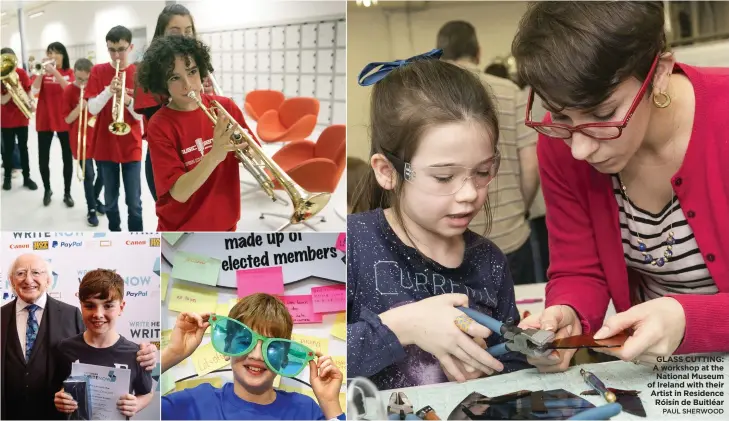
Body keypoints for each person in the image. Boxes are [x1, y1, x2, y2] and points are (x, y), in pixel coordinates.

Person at [511, 1, 729, 372]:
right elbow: (577, 268)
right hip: (657, 372)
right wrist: (569, 313)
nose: (579, 149)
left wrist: (691, 320)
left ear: (658, 72)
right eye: (560, 115)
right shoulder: (558, 142)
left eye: (602, 115)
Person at [348, 51, 530, 391]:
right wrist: (403, 326)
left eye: (482, 172)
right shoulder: (352, 245)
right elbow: (312, 353)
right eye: (444, 177)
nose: (469, 194)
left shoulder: (489, 261)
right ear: (387, 172)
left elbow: (511, 360)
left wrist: (527, 358)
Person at [437, 21, 540, 286]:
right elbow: (531, 163)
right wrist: (521, 209)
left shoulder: (430, 98)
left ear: (439, 53)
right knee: (522, 319)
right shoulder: (510, 91)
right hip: (510, 234)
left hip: (448, 242)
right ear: (478, 52)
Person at [0, 253, 157, 420]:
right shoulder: (2, 316)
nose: (28, 279)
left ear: (48, 279)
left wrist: (149, 354)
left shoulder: (71, 314)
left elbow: (99, 340)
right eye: (21, 273)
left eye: (36, 272)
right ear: (11, 280)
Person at [161, 293, 345, 420]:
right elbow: (136, 411)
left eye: (271, 347)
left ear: (284, 358)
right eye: (244, 341)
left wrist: (330, 403)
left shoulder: (305, 411)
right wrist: (172, 354)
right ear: (227, 346)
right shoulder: (195, 404)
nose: (257, 355)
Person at [136, 35, 251, 231]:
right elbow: (179, 193)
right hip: (182, 231)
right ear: (163, 84)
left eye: (192, 72)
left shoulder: (224, 107)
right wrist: (214, 155)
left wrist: (248, 152)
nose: (188, 85)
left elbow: (252, 152)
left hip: (225, 224)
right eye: (175, 77)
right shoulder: (159, 125)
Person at [134, 3, 216, 203]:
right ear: (161, 34)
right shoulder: (148, 70)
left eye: (188, 31)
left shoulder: (197, 64)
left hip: (203, 149)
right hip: (167, 154)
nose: (183, 37)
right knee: (175, 221)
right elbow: (159, 123)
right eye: (175, 31)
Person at [52, 269, 154, 418]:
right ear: (81, 306)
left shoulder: (136, 354)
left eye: (108, 306)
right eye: (90, 306)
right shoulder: (65, 348)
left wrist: (137, 404)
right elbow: (57, 389)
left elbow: (146, 392)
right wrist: (60, 399)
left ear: (121, 307)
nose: (98, 314)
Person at [85, 25, 144, 232]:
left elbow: (140, 115)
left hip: (132, 146)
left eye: (121, 49)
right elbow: (92, 108)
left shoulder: (139, 72)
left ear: (131, 47)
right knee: (110, 202)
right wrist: (109, 91)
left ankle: (137, 241)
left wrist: (126, 98)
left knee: (134, 204)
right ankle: (115, 235)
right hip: (105, 146)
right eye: (112, 49)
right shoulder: (98, 71)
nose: (117, 55)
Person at [63, 58, 106, 227]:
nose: (82, 83)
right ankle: (91, 209)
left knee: (103, 174)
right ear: (74, 73)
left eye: (85, 80)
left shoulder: (96, 89)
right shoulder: (68, 91)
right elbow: (67, 118)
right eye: (78, 79)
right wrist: (80, 107)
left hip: (98, 137)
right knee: (89, 175)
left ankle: (94, 198)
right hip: (79, 139)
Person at [32, 42, 74, 206]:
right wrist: (42, 73)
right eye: (49, 53)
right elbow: (34, 91)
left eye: (56, 52)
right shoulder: (42, 73)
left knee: (67, 159)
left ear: (63, 55)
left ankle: (67, 193)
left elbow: (70, 90)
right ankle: (47, 189)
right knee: (43, 158)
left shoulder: (69, 73)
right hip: (45, 119)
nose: (52, 56)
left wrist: (54, 72)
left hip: (64, 119)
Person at [1, 47, 38, 192]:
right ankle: (7, 179)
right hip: (6, 120)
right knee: (8, 150)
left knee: (24, 148)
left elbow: (28, 90)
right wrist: (12, 88)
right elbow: (3, 100)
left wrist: (31, 102)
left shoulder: (21, 73)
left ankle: (27, 177)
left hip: (21, 118)